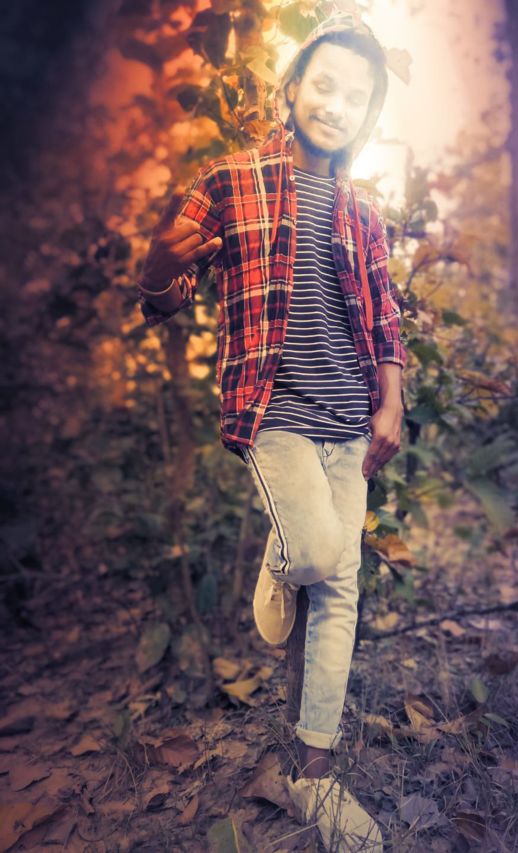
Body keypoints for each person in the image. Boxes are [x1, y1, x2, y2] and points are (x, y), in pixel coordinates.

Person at [137, 11, 407, 851]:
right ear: (292, 90)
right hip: (275, 414)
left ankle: (314, 776)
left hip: (349, 419)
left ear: (366, 116)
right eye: (324, 85)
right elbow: (168, 291)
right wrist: (156, 273)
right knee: (319, 555)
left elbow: (385, 318)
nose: (336, 105)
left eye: (355, 97)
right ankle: (285, 555)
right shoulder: (229, 181)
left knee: (341, 591)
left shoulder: (363, 211)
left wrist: (392, 401)